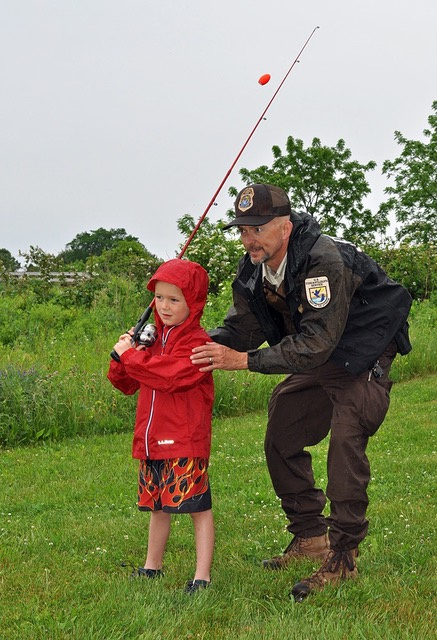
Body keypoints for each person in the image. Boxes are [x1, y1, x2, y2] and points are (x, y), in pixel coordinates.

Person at [190, 183, 412, 601]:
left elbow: (315, 343)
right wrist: (189, 344)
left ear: (285, 227)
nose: (247, 238)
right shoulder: (253, 269)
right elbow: (241, 328)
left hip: (362, 352)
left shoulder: (323, 260)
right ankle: (310, 536)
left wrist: (246, 361)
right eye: (242, 229)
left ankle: (343, 556)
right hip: (323, 352)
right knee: (283, 425)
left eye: (256, 229)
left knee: (346, 437)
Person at [108, 258, 214, 594]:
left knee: (198, 508)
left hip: (184, 441)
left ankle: (202, 576)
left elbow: (170, 377)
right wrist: (121, 356)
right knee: (157, 506)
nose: (164, 307)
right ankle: (151, 567)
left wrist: (133, 358)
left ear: (193, 303)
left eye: (174, 299)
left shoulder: (199, 344)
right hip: (151, 442)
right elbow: (126, 384)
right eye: (159, 298)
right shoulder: (151, 339)